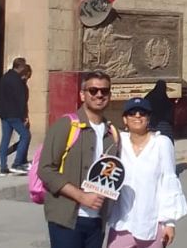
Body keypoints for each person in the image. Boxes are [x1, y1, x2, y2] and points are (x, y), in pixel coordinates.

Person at [38, 70, 120, 248]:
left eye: (104, 91)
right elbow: (45, 169)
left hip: (97, 220)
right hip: (66, 219)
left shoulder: (112, 133)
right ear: (83, 95)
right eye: (93, 90)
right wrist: (81, 196)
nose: (99, 95)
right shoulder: (66, 125)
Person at [107, 97, 187, 248]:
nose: (137, 116)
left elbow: (168, 182)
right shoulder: (119, 142)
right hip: (122, 223)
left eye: (142, 113)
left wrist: (169, 223)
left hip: (152, 225)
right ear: (125, 119)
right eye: (132, 113)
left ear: (149, 118)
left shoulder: (162, 143)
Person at [0, 57, 32, 176]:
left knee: (5, 139)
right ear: (21, 67)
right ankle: (17, 164)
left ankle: (3, 167)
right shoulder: (18, 81)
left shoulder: (5, 78)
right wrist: (24, 116)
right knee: (26, 135)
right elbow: (20, 100)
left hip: (4, 113)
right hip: (14, 114)